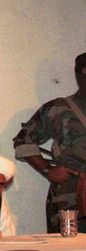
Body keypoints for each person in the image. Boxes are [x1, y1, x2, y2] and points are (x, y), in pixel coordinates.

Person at [13, 52, 86, 233]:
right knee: (67, 249)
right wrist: (48, 171)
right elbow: (23, 141)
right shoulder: (59, 108)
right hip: (70, 196)